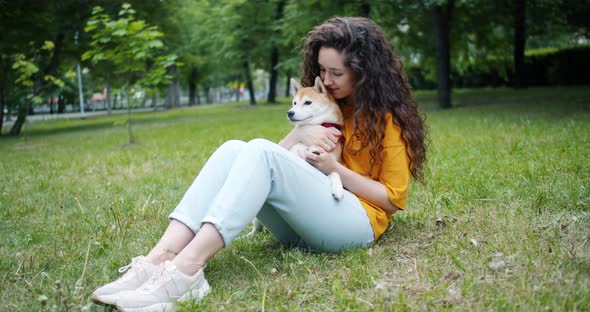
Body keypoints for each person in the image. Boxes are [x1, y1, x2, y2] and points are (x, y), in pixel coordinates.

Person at [91, 16, 427, 311]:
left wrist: (334, 170)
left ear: (364, 71)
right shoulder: (322, 107)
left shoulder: (387, 119)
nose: (327, 78)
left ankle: (186, 271)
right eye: (322, 69)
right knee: (234, 149)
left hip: (357, 224)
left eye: (336, 72)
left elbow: (392, 200)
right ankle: (156, 260)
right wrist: (299, 136)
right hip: (307, 224)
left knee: (259, 151)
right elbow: (261, 165)